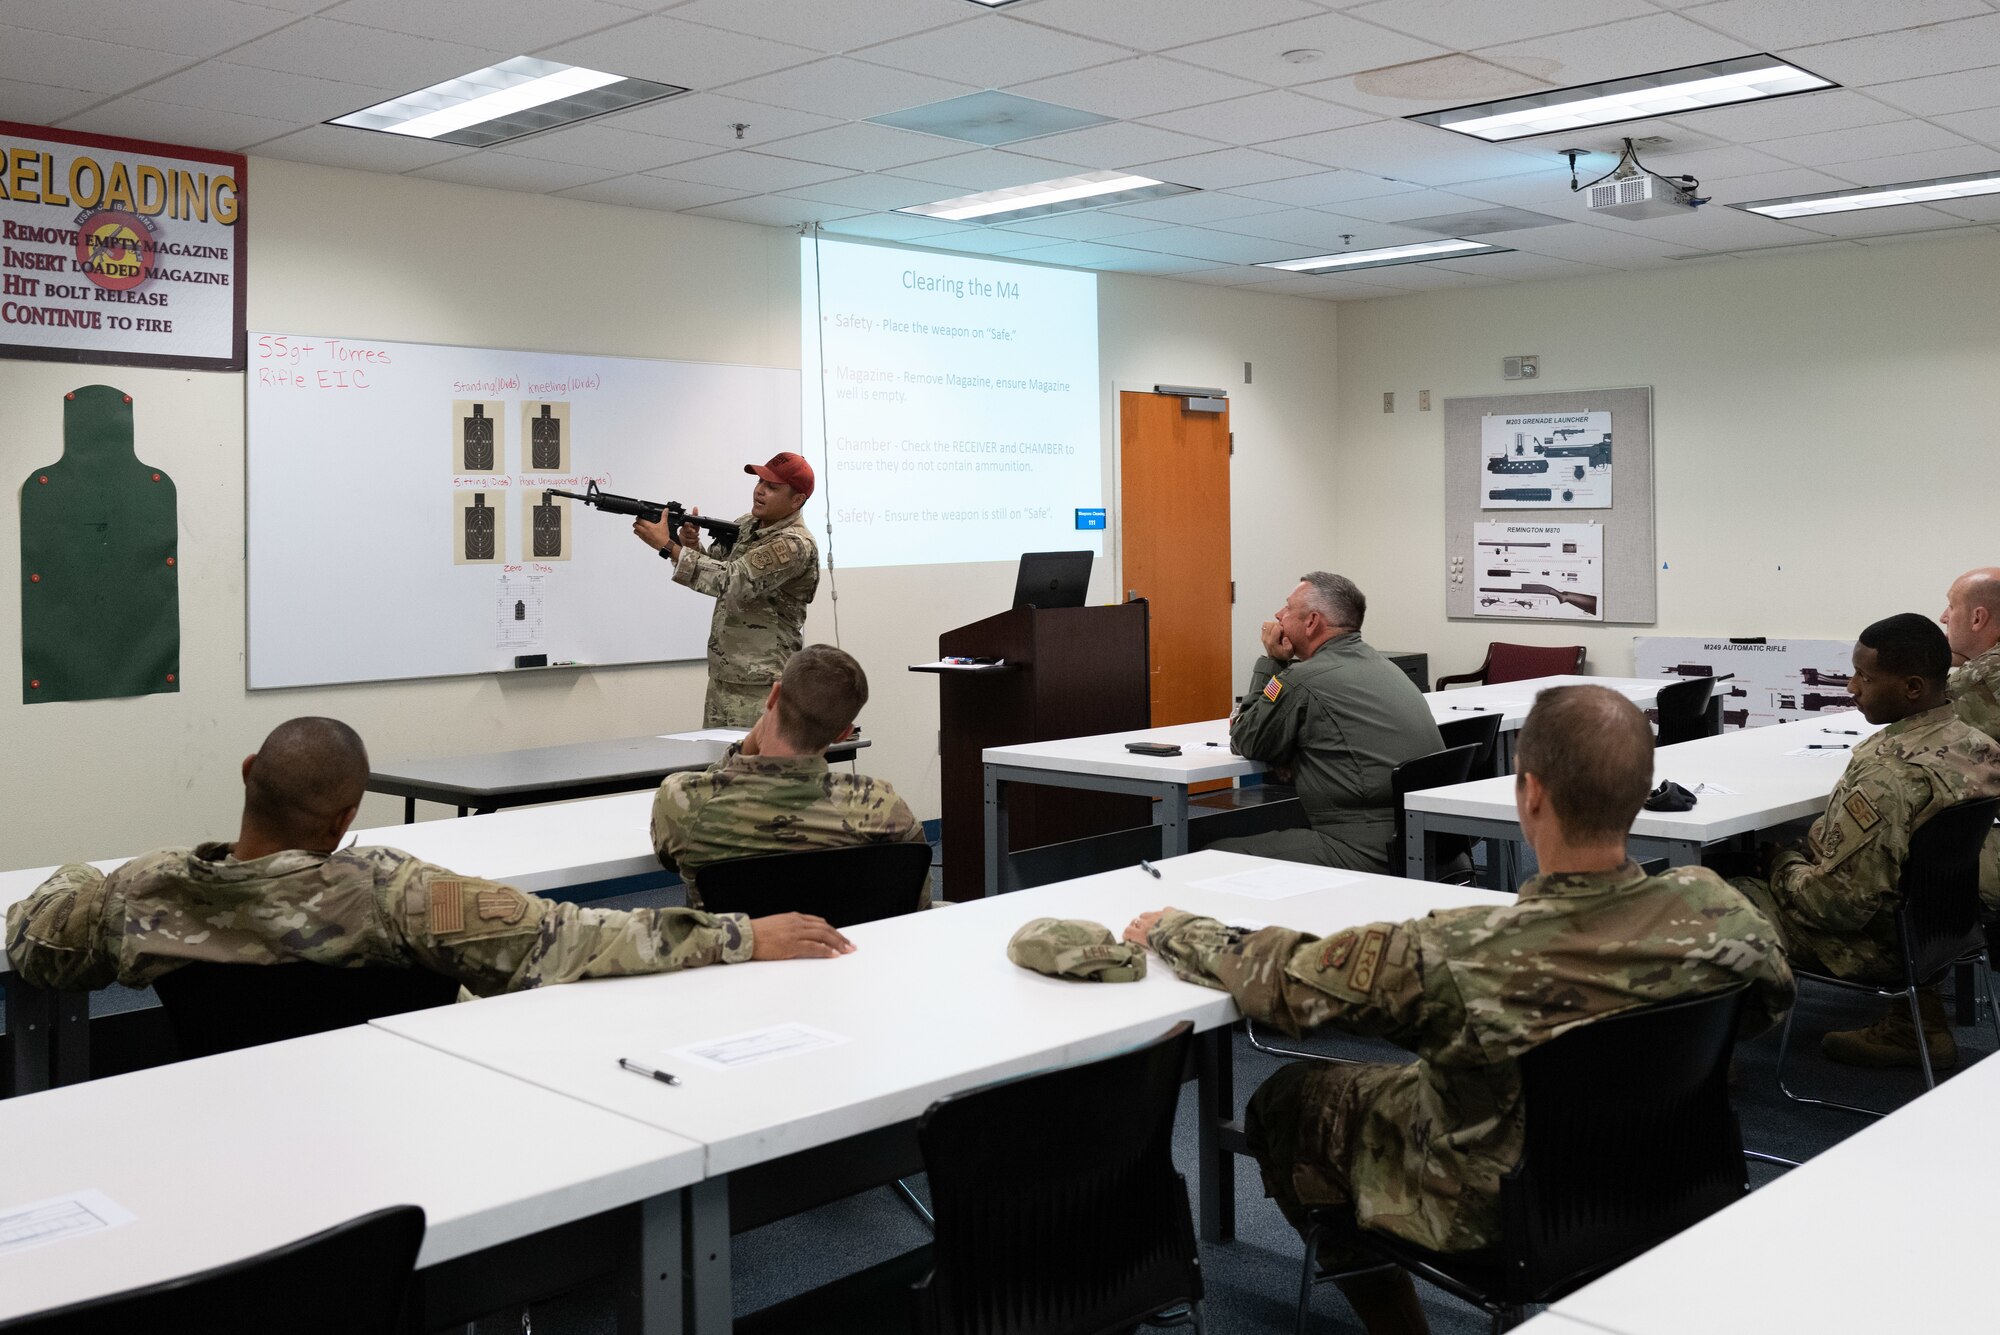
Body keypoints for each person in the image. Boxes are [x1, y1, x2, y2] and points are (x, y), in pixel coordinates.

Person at [1123, 685, 1793, 1335]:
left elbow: (1286, 981)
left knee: (1289, 1101)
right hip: (1666, 1174)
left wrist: (1174, 929)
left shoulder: (1463, 950)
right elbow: (1768, 1001)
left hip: (1496, 1212)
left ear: (1529, 793)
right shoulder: (1720, 911)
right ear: (1643, 789)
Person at [5, 718, 853, 997]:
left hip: (209, 1136)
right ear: (346, 819)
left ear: (246, 776)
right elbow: (567, 938)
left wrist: (90, 874)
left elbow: (33, 946)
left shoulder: (141, 894)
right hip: (387, 1142)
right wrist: (741, 937)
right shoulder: (393, 895)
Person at [1729, 613, 2000, 1070]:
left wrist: (1781, 865)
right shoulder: (1977, 744)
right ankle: (1916, 1025)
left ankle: (1707, 1060)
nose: (1852, 687)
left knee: (1716, 896)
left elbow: (1837, 907)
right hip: (1947, 932)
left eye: (1865, 677)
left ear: (1913, 687)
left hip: (1880, 945)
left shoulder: (1886, 775)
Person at [652, 645, 929, 909]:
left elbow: (668, 860)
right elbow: (918, 904)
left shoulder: (684, 803)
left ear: (773, 696)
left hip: (740, 955)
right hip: (846, 952)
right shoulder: (885, 807)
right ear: (844, 734)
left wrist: (744, 750)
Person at [1212, 572, 1443, 871]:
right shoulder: (1384, 667)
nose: (1278, 616)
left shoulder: (1302, 680)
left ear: (1311, 622)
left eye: (1287, 609)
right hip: (1428, 840)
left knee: (1213, 857)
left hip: (1366, 850)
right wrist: (1295, 756)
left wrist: (1272, 661)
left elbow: (1245, 738)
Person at [633, 451, 820, 728]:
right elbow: (717, 565)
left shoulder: (792, 544)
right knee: (715, 766)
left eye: (772, 487)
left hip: (763, 684)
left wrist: (668, 547)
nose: (760, 491)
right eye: (760, 482)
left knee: (754, 768)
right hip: (725, 673)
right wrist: (690, 545)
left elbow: (732, 581)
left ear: (797, 500)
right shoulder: (746, 524)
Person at [1940, 566, 2000, 912]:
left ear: (1978, 618)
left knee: (1889, 849)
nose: (1944, 616)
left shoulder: (1980, 678)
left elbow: (1909, 719)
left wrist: (1932, 667)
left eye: (1951, 605)